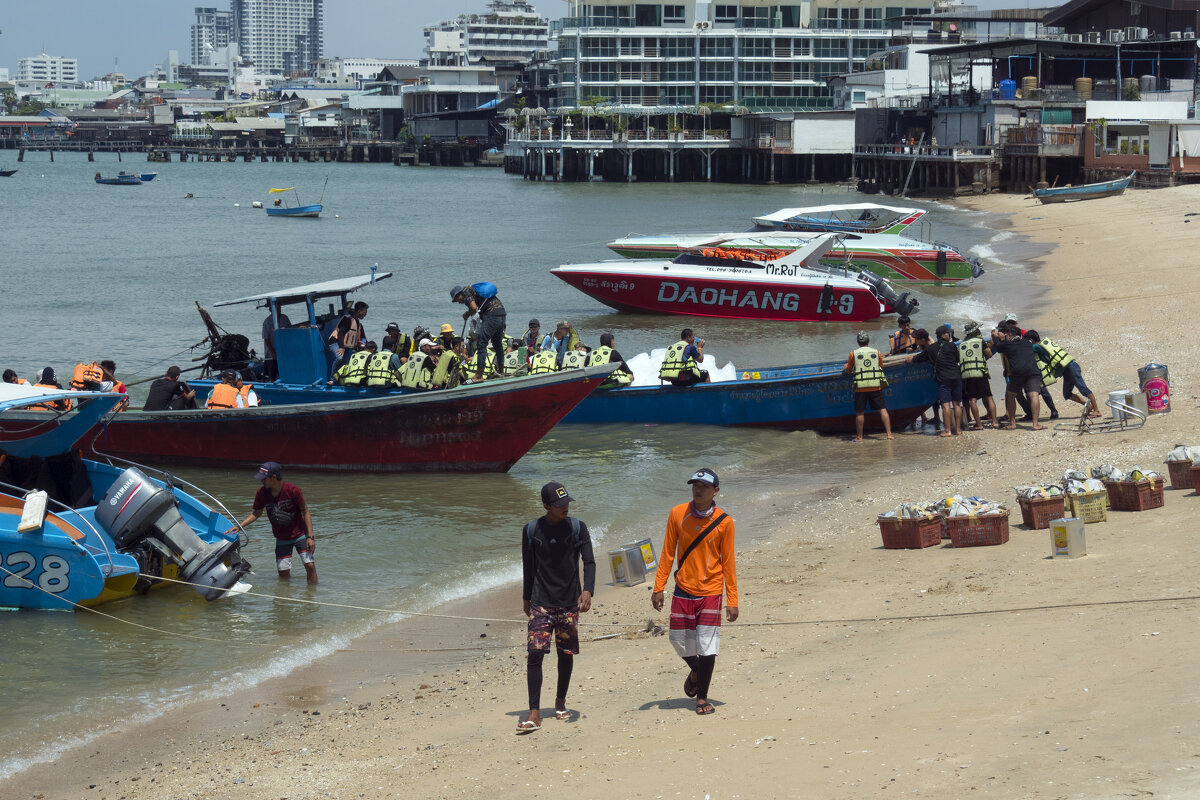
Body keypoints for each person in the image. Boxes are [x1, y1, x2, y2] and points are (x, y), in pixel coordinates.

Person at [651, 468, 737, 717]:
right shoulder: (678, 513)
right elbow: (667, 552)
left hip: (711, 590)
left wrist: (732, 599)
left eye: (704, 486)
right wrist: (659, 587)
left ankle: (702, 697)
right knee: (678, 641)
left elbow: (729, 563)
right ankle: (697, 670)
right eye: (694, 485)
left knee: (707, 645)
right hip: (683, 589)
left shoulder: (725, 522)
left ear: (715, 491)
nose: (698, 489)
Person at [517, 482, 595, 732]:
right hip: (541, 601)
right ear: (546, 505)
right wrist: (526, 597)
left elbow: (589, 561)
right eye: (560, 504)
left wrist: (588, 590)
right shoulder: (531, 530)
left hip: (569, 602)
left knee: (566, 654)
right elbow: (528, 566)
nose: (565, 508)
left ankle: (560, 701)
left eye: (567, 502)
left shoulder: (577, 527)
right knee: (535, 654)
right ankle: (534, 712)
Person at [238, 462, 316, 584]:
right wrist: (240, 526)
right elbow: (256, 513)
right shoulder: (261, 493)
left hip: (300, 534)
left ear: (273, 477)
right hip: (281, 537)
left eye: (264, 479)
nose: (261, 481)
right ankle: (284, 599)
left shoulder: (293, 490)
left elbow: (305, 511)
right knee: (283, 574)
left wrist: (310, 537)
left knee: (310, 566)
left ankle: (311, 599)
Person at [1028, 330, 1102, 419]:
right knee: (1067, 394)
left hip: (1071, 367)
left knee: (1083, 388)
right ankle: (1089, 406)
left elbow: (1027, 348)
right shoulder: (1042, 345)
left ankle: (1097, 410)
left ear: (1031, 340)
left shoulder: (1037, 346)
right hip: (1066, 370)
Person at [999, 313, 1058, 421]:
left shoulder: (1024, 333)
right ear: (1006, 324)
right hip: (1013, 368)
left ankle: (1053, 410)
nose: (1011, 325)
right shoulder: (1005, 336)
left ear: (1017, 323)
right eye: (1009, 323)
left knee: (1041, 389)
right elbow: (1001, 352)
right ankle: (1029, 413)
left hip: (1031, 365)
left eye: (1013, 322)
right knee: (1017, 394)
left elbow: (1036, 344)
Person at [907, 325, 963, 437]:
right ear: (943, 334)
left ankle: (947, 431)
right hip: (956, 376)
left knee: (945, 405)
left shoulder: (930, 349)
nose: (949, 335)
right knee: (957, 404)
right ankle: (957, 430)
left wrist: (909, 359)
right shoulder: (952, 346)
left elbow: (917, 359)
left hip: (943, 379)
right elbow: (957, 358)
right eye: (948, 333)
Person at [990, 323, 1045, 431]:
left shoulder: (1007, 344)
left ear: (1010, 336)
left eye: (1007, 335)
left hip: (1017, 372)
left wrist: (997, 337)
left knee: (1011, 395)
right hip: (1033, 371)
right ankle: (1035, 424)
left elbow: (998, 346)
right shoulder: (1028, 342)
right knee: (1034, 395)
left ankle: (1012, 423)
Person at [843, 332, 893, 442]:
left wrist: (845, 367)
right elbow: (880, 366)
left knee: (860, 412)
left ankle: (860, 437)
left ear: (858, 342)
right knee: (882, 409)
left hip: (860, 386)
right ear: (868, 341)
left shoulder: (853, 354)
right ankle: (889, 434)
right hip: (876, 385)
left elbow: (849, 370)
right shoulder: (877, 352)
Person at [450, 283, 506, 380]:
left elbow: (473, 307)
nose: (458, 302)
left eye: (456, 300)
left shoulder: (465, 293)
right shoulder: (473, 291)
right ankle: (501, 371)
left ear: (458, 295)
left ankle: (479, 375)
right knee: (497, 344)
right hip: (501, 313)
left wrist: (467, 314)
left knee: (481, 344)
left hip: (492, 314)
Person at [958, 322, 998, 429]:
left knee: (972, 400)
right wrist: (989, 346)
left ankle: (978, 424)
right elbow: (989, 354)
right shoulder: (980, 342)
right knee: (988, 397)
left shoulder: (961, 345)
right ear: (976, 331)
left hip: (966, 375)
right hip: (980, 373)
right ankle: (994, 422)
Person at [327, 301, 368, 373]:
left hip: (346, 346)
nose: (365, 314)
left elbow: (363, 338)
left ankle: (340, 378)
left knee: (345, 363)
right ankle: (332, 378)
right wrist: (342, 348)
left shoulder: (358, 323)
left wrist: (363, 344)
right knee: (339, 358)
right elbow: (341, 334)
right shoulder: (348, 319)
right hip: (336, 342)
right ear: (359, 311)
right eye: (364, 312)